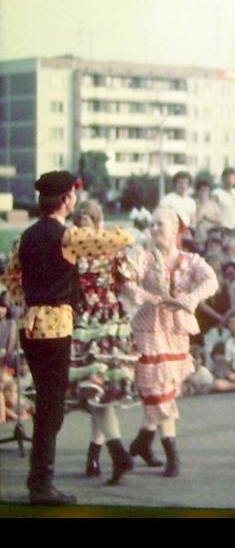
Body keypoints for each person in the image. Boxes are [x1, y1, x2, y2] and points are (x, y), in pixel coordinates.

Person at [0, 171, 134, 504]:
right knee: (51, 408)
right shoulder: (68, 237)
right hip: (57, 325)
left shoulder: (25, 236)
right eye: (72, 195)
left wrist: (22, 299)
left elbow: (11, 275)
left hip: (30, 325)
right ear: (66, 200)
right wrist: (111, 232)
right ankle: (41, 484)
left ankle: (40, 480)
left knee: (46, 403)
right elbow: (120, 240)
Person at [123, 207, 218, 478]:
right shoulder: (143, 256)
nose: (154, 230)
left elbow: (211, 281)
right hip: (149, 327)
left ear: (176, 229)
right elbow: (125, 283)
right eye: (151, 225)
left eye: (160, 225)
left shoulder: (189, 260)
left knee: (168, 387)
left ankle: (142, 441)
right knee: (157, 386)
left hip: (176, 328)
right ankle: (172, 453)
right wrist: (150, 298)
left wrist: (191, 299)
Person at [68, 200, 139, 486]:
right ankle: (110, 453)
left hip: (104, 326)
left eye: (89, 221)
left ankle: (113, 454)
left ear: (98, 222)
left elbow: (130, 281)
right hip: (84, 324)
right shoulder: (74, 251)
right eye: (80, 222)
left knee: (96, 390)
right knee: (93, 392)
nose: (85, 226)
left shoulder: (111, 246)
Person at [212, 167, 235, 237]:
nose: (230, 181)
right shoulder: (217, 193)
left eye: (232, 179)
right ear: (223, 179)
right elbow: (212, 212)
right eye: (228, 178)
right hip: (222, 229)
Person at [193, 179, 222, 246]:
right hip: (199, 237)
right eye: (202, 190)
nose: (204, 192)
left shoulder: (213, 204)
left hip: (212, 237)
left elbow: (219, 220)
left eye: (206, 190)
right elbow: (196, 219)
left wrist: (206, 217)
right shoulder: (193, 203)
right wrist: (202, 206)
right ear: (197, 191)